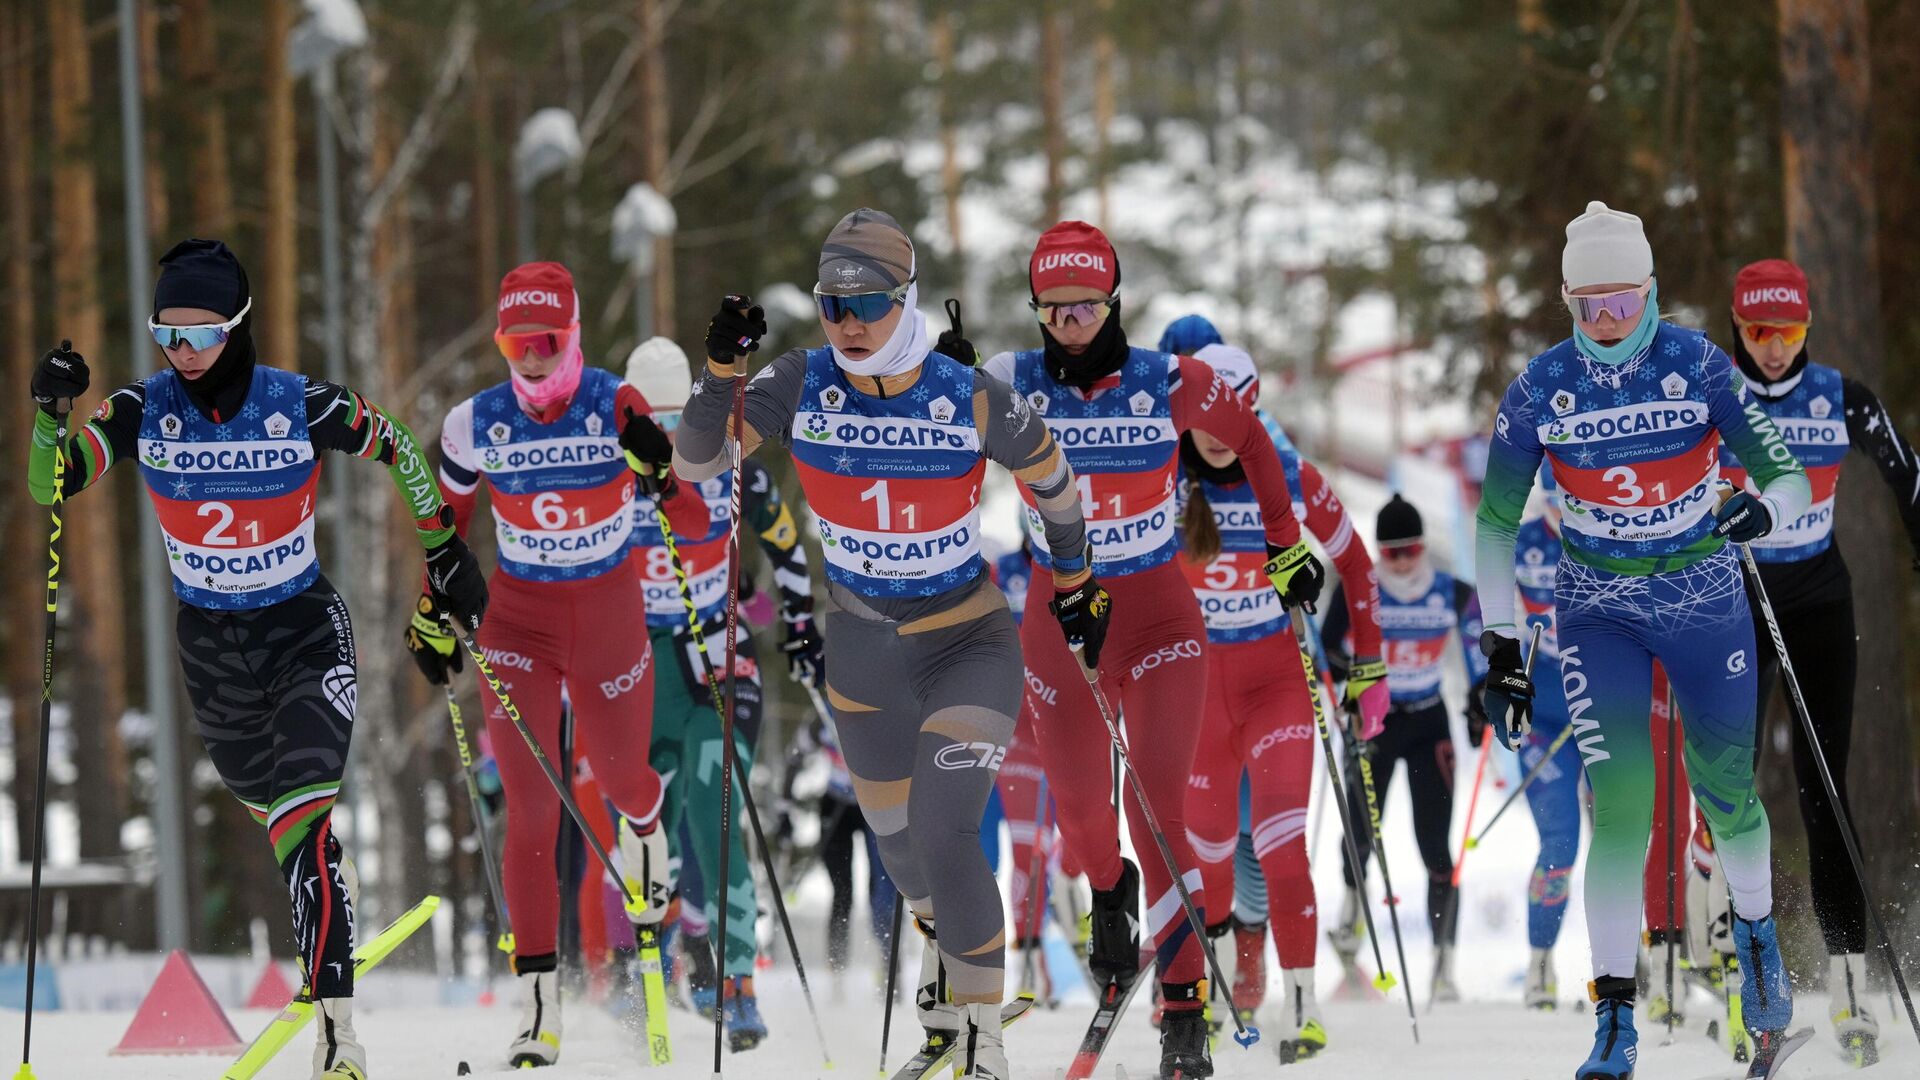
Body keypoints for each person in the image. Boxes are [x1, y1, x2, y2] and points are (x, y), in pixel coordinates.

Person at [27, 238, 489, 1079]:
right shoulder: (143, 409)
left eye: (201, 336)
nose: (185, 354)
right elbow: (49, 483)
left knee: (302, 824)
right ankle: (326, 913)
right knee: (287, 838)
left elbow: (398, 448)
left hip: (305, 635)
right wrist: (49, 415)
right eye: (168, 336)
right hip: (211, 653)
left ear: (238, 327)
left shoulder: (298, 403)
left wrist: (444, 551)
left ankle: (339, 1037)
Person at [672, 208, 1102, 1080]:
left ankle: (983, 1043)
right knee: (900, 851)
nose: (850, 324)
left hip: (966, 644)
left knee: (949, 833)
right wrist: (721, 372)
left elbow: (1056, 486)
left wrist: (1075, 582)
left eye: (868, 303)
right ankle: (951, 966)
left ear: (906, 300)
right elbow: (697, 464)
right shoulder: (799, 380)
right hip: (864, 652)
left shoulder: (966, 394)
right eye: (833, 304)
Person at [1474, 201, 1810, 1080]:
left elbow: (1785, 471)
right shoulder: (1542, 387)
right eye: (1591, 308)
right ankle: (1614, 1018)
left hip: (1703, 597)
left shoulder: (1696, 363)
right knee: (1622, 808)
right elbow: (1494, 524)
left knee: (1726, 789)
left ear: (1652, 292)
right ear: (1567, 302)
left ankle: (1758, 934)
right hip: (1597, 607)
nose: (1610, 325)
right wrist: (1500, 645)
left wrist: (1764, 506)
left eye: (1625, 303)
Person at [982, 221, 1325, 1080]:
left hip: (1161, 616)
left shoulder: (1167, 380)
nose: (1071, 324)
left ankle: (1183, 1006)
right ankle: (1108, 894)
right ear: (1036, 310)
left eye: (1087, 306)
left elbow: (1251, 440)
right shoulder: (1008, 382)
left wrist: (1284, 544)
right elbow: (927, 441)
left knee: (1157, 806)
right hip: (1058, 620)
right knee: (1084, 816)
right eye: (1055, 310)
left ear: (1115, 300)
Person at [406, 262, 704, 1068]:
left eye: (547, 341)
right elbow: (447, 535)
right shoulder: (475, 423)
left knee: (620, 778)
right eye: (515, 342)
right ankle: (539, 1008)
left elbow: (693, 517)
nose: (531, 357)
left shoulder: (616, 402)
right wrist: (433, 614)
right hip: (518, 627)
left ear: (571, 337)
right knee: (532, 813)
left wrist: (661, 469)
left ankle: (647, 825)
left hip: (607, 618)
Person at [1717, 258, 1920, 1065]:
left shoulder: (1841, 397)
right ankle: (1735, 972)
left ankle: (1847, 987)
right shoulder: (1711, 392)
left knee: (1823, 787)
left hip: (1818, 600)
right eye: (1759, 332)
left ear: (1808, 329)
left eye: (1789, 332)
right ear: (1737, 327)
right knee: (1728, 785)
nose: (1773, 349)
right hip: (1736, 598)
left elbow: (1907, 473)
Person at [1174, 341, 1385, 1061]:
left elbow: (1357, 563)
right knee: (1207, 863)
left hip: (1276, 685)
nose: (1212, 428)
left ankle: (1303, 1006)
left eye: (1229, 412)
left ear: (1253, 408)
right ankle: (1208, 992)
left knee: (1281, 846)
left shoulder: (1290, 477)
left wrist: (1370, 667)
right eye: (1201, 411)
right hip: (1199, 690)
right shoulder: (1166, 481)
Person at [622, 333, 820, 1042]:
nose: (673, 434)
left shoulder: (734, 468)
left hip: (718, 662)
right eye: (656, 418)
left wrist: (798, 624)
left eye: (684, 417)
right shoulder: (610, 472)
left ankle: (739, 984)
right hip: (642, 668)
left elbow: (788, 546)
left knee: (716, 816)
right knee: (649, 827)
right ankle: (657, 961)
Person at [1321, 494, 1482, 1000]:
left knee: (1436, 845)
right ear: (1377, 552)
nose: (1404, 560)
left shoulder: (1452, 592)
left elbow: (1482, 648)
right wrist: (1348, 685)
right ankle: (1352, 915)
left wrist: (1481, 699)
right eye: (1391, 553)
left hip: (1428, 720)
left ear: (1424, 545)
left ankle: (1444, 964)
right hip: (1374, 722)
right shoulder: (1356, 591)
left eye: (1411, 548)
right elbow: (1327, 647)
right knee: (1362, 832)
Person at [1509, 467, 1584, 1010]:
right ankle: (1540, 962)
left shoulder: (1618, 537)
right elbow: (1483, 622)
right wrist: (1500, 689)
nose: (1569, 518)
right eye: (1561, 504)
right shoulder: (1525, 543)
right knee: (1559, 841)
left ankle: (1634, 954)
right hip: (1545, 719)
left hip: (1606, 713)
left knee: (1626, 835)